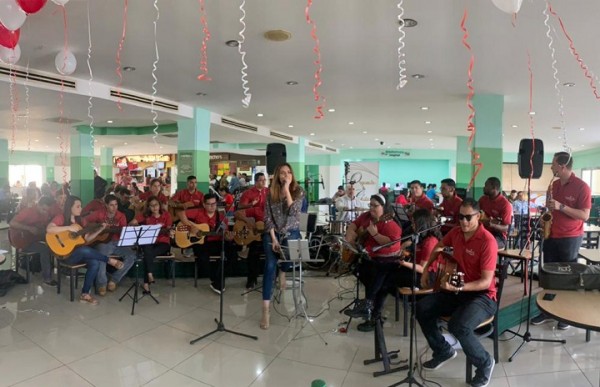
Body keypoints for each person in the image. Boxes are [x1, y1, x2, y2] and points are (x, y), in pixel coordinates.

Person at [417, 198, 498, 387]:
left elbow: (486, 281)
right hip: (459, 289)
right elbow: (438, 246)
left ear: (479, 216)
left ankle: (485, 363)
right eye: (460, 217)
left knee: (458, 326)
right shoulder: (456, 232)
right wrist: (427, 267)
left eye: (468, 217)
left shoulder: (487, 241)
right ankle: (443, 350)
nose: (463, 221)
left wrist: (459, 288)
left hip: (483, 296)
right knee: (422, 307)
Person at [347, 208, 442, 331]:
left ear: (421, 223)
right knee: (382, 275)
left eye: (414, 223)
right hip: (415, 273)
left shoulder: (430, 242)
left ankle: (371, 311)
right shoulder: (422, 237)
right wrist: (405, 252)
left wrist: (402, 262)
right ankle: (372, 313)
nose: (412, 226)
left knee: (384, 276)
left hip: (425, 279)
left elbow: (422, 268)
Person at [531, 152, 592, 330]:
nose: (551, 167)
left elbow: (585, 215)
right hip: (551, 234)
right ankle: (548, 310)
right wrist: (545, 217)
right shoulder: (554, 185)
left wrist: (561, 206)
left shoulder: (582, 187)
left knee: (567, 276)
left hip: (570, 237)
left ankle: (566, 314)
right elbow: (551, 209)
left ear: (563, 166)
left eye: (553, 164)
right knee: (550, 274)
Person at [46, 195, 124, 305]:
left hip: (79, 254)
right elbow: (49, 229)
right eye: (78, 206)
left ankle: (85, 294)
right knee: (83, 249)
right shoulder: (61, 217)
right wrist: (68, 228)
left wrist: (99, 230)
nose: (81, 209)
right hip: (65, 255)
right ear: (70, 207)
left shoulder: (81, 221)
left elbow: (87, 239)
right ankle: (109, 260)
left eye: (80, 206)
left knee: (95, 263)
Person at [260, 163, 305, 329]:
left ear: (292, 175)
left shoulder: (299, 192)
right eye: (282, 173)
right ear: (277, 176)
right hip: (273, 233)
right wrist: (273, 238)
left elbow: (294, 213)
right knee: (270, 265)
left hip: (291, 232)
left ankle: (284, 271)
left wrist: (287, 191)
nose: (285, 175)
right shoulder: (270, 193)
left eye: (288, 172)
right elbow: (267, 218)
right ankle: (265, 310)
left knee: (289, 261)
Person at [179, 193, 237, 294]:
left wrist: (228, 237)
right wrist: (191, 226)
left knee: (232, 254)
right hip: (202, 243)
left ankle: (218, 280)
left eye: (214, 204)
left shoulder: (222, 216)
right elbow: (181, 213)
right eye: (209, 204)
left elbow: (225, 233)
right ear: (204, 204)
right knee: (202, 257)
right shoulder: (198, 212)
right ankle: (217, 281)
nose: (212, 206)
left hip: (217, 242)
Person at [85, 194, 136, 295]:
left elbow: (124, 232)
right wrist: (99, 227)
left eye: (116, 205)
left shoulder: (121, 216)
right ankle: (101, 284)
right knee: (102, 256)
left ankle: (114, 280)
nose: (114, 207)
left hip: (117, 243)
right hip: (103, 242)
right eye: (111, 205)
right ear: (106, 205)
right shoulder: (99, 213)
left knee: (132, 256)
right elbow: (85, 221)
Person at [9, 196, 57, 286]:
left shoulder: (45, 214)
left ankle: (53, 268)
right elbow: (12, 223)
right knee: (44, 249)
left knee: (53, 243)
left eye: (47, 210)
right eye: (43, 209)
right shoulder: (28, 211)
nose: (45, 212)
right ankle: (47, 278)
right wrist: (29, 228)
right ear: (38, 205)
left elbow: (43, 228)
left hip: (33, 238)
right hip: (20, 239)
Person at [129, 196, 173, 294]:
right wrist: (140, 226)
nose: (154, 207)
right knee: (148, 250)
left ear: (159, 205)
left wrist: (171, 232)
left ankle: (147, 280)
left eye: (156, 205)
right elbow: (131, 223)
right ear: (148, 207)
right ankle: (149, 276)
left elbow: (169, 229)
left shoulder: (166, 215)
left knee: (148, 254)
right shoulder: (145, 215)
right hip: (148, 241)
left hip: (163, 243)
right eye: (151, 206)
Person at [234, 172, 268, 290]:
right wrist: (249, 221)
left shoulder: (268, 192)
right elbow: (238, 211)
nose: (264, 182)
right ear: (256, 181)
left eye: (265, 180)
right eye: (261, 180)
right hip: (252, 228)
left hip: (268, 232)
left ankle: (270, 279)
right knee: (254, 252)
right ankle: (251, 279)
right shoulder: (249, 194)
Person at [478, 177, 512, 249]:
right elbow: (475, 212)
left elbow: (506, 228)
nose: (484, 187)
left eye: (486, 185)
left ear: (494, 187)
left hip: (498, 236)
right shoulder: (483, 199)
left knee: (485, 244)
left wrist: (492, 225)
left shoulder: (505, 204)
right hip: (482, 231)